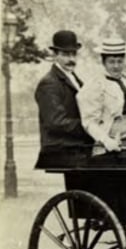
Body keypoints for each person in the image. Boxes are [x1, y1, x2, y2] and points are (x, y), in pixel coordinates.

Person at [34, 30, 93, 165]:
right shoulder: (49, 83)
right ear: (55, 55)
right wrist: (91, 127)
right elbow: (56, 122)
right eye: (66, 54)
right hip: (63, 149)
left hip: (77, 147)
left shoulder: (74, 78)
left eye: (74, 54)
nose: (71, 59)